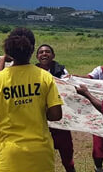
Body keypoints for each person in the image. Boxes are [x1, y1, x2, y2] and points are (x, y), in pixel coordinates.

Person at [0, 29, 64, 172]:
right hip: (40, 152)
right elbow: (56, 115)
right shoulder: (45, 77)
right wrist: (40, 112)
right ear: (32, 50)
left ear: (9, 52)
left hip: (9, 153)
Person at [36, 44, 75, 172]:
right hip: (40, 119)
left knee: (66, 150)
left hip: (59, 117)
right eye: (41, 52)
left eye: (47, 52)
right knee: (41, 151)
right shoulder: (33, 72)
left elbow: (67, 89)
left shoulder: (62, 71)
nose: (44, 54)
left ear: (53, 55)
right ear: (37, 57)